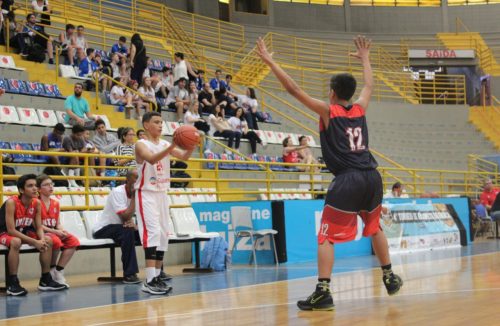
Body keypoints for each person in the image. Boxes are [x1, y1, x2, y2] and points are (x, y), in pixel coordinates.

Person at [257, 36, 402, 311]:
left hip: (348, 177)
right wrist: (366, 58)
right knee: (374, 227)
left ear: (332, 92)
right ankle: (389, 276)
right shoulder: (360, 108)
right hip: (372, 176)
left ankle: (323, 291)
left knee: (325, 236)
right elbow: (370, 84)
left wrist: (270, 62)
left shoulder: (328, 111)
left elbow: (294, 88)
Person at [135, 112, 194, 294]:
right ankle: (149, 279)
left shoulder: (165, 144)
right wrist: (173, 146)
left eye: (162, 122)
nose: (161, 125)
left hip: (162, 193)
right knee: (152, 233)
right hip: (146, 193)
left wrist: (192, 144)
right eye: (156, 122)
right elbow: (152, 159)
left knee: (162, 235)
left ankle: (158, 276)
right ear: (146, 125)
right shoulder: (141, 144)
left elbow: (184, 157)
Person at [0, 174, 66, 295]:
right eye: (30, 186)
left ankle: (45, 279)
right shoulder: (11, 202)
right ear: (21, 190)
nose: (35, 188)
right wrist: (35, 242)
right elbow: (11, 231)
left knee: (48, 239)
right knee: (16, 241)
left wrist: (41, 239)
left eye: (35, 185)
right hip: (4, 232)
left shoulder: (36, 203)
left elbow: (38, 226)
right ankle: (13, 282)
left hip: (23, 231)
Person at [93, 169, 142, 284]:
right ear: (128, 179)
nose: (138, 181)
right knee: (127, 231)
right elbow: (125, 216)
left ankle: (156, 271)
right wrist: (135, 196)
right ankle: (129, 274)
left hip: (123, 227)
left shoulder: (141, 193)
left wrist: (137, 226)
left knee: (150, 233)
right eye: (136, 177)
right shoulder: (117, 192)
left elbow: (143, 215)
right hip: (104, 228)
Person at [37, 174, 79, 288]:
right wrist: (56, 232)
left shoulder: (55, 202)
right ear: (39, 189)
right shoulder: (35, 203)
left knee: (73, 240)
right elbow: (38, 225)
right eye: (46, 185)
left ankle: (58, 271)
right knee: (55, 239)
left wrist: (62, 230)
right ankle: (51, 270)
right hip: (39, 233)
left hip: (53, 231)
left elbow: (58, 223)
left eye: (51, 184)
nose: (50, 187)